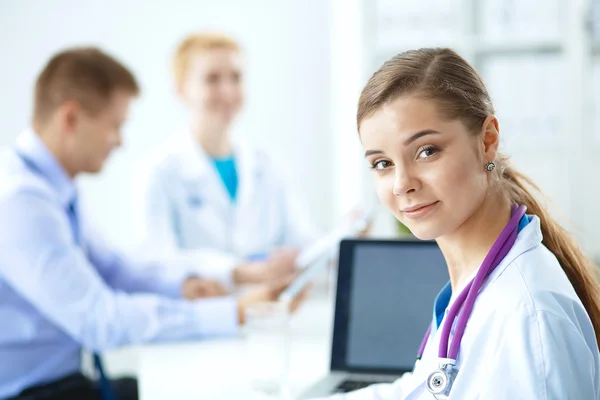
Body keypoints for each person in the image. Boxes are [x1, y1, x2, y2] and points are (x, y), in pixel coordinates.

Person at [0, 47, 302, 400]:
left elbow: (115, 269)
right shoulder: (21, 201)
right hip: (33, 393)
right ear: (71, 118)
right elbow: (100, 321)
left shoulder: (53, 188)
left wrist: (183, 286)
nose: (120, 141)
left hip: (65, 380)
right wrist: (231, 312)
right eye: (115, 125)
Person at [315, 48, 600, 399]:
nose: (402, 183)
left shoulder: (528, 317)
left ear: (487, 141)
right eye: (382, 163)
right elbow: (418, 390)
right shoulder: (475, 282)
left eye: (427, 151)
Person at [139, 32, 318, 288]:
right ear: (181, 89)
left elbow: (300, 238)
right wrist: (240, 271)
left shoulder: (266, 162)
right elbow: (159, 262)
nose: (227, 91)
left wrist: (340, 240)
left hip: (270, 313)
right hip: (201, 318)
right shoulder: (161, 171)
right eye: (212, 79)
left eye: (236, 78)